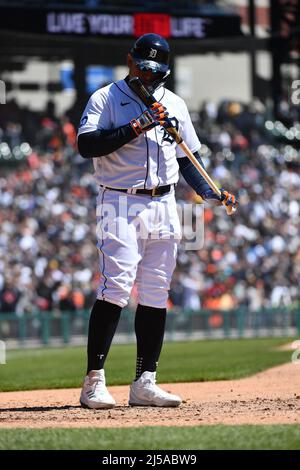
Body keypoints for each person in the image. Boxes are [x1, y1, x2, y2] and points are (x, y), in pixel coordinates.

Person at [77, 33, 237, 409]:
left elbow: (187, 160)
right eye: (144, 67)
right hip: (120, 199)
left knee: (155, 292)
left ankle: (145, 382)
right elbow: (87, 146)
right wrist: (137, 125)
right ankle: (93, 382)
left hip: (164, 203)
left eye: (157, 71)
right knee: (115, 288)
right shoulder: (106, 97)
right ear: (130, 61)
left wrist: (211, 192)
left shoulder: (174, 104)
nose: (149, 76)